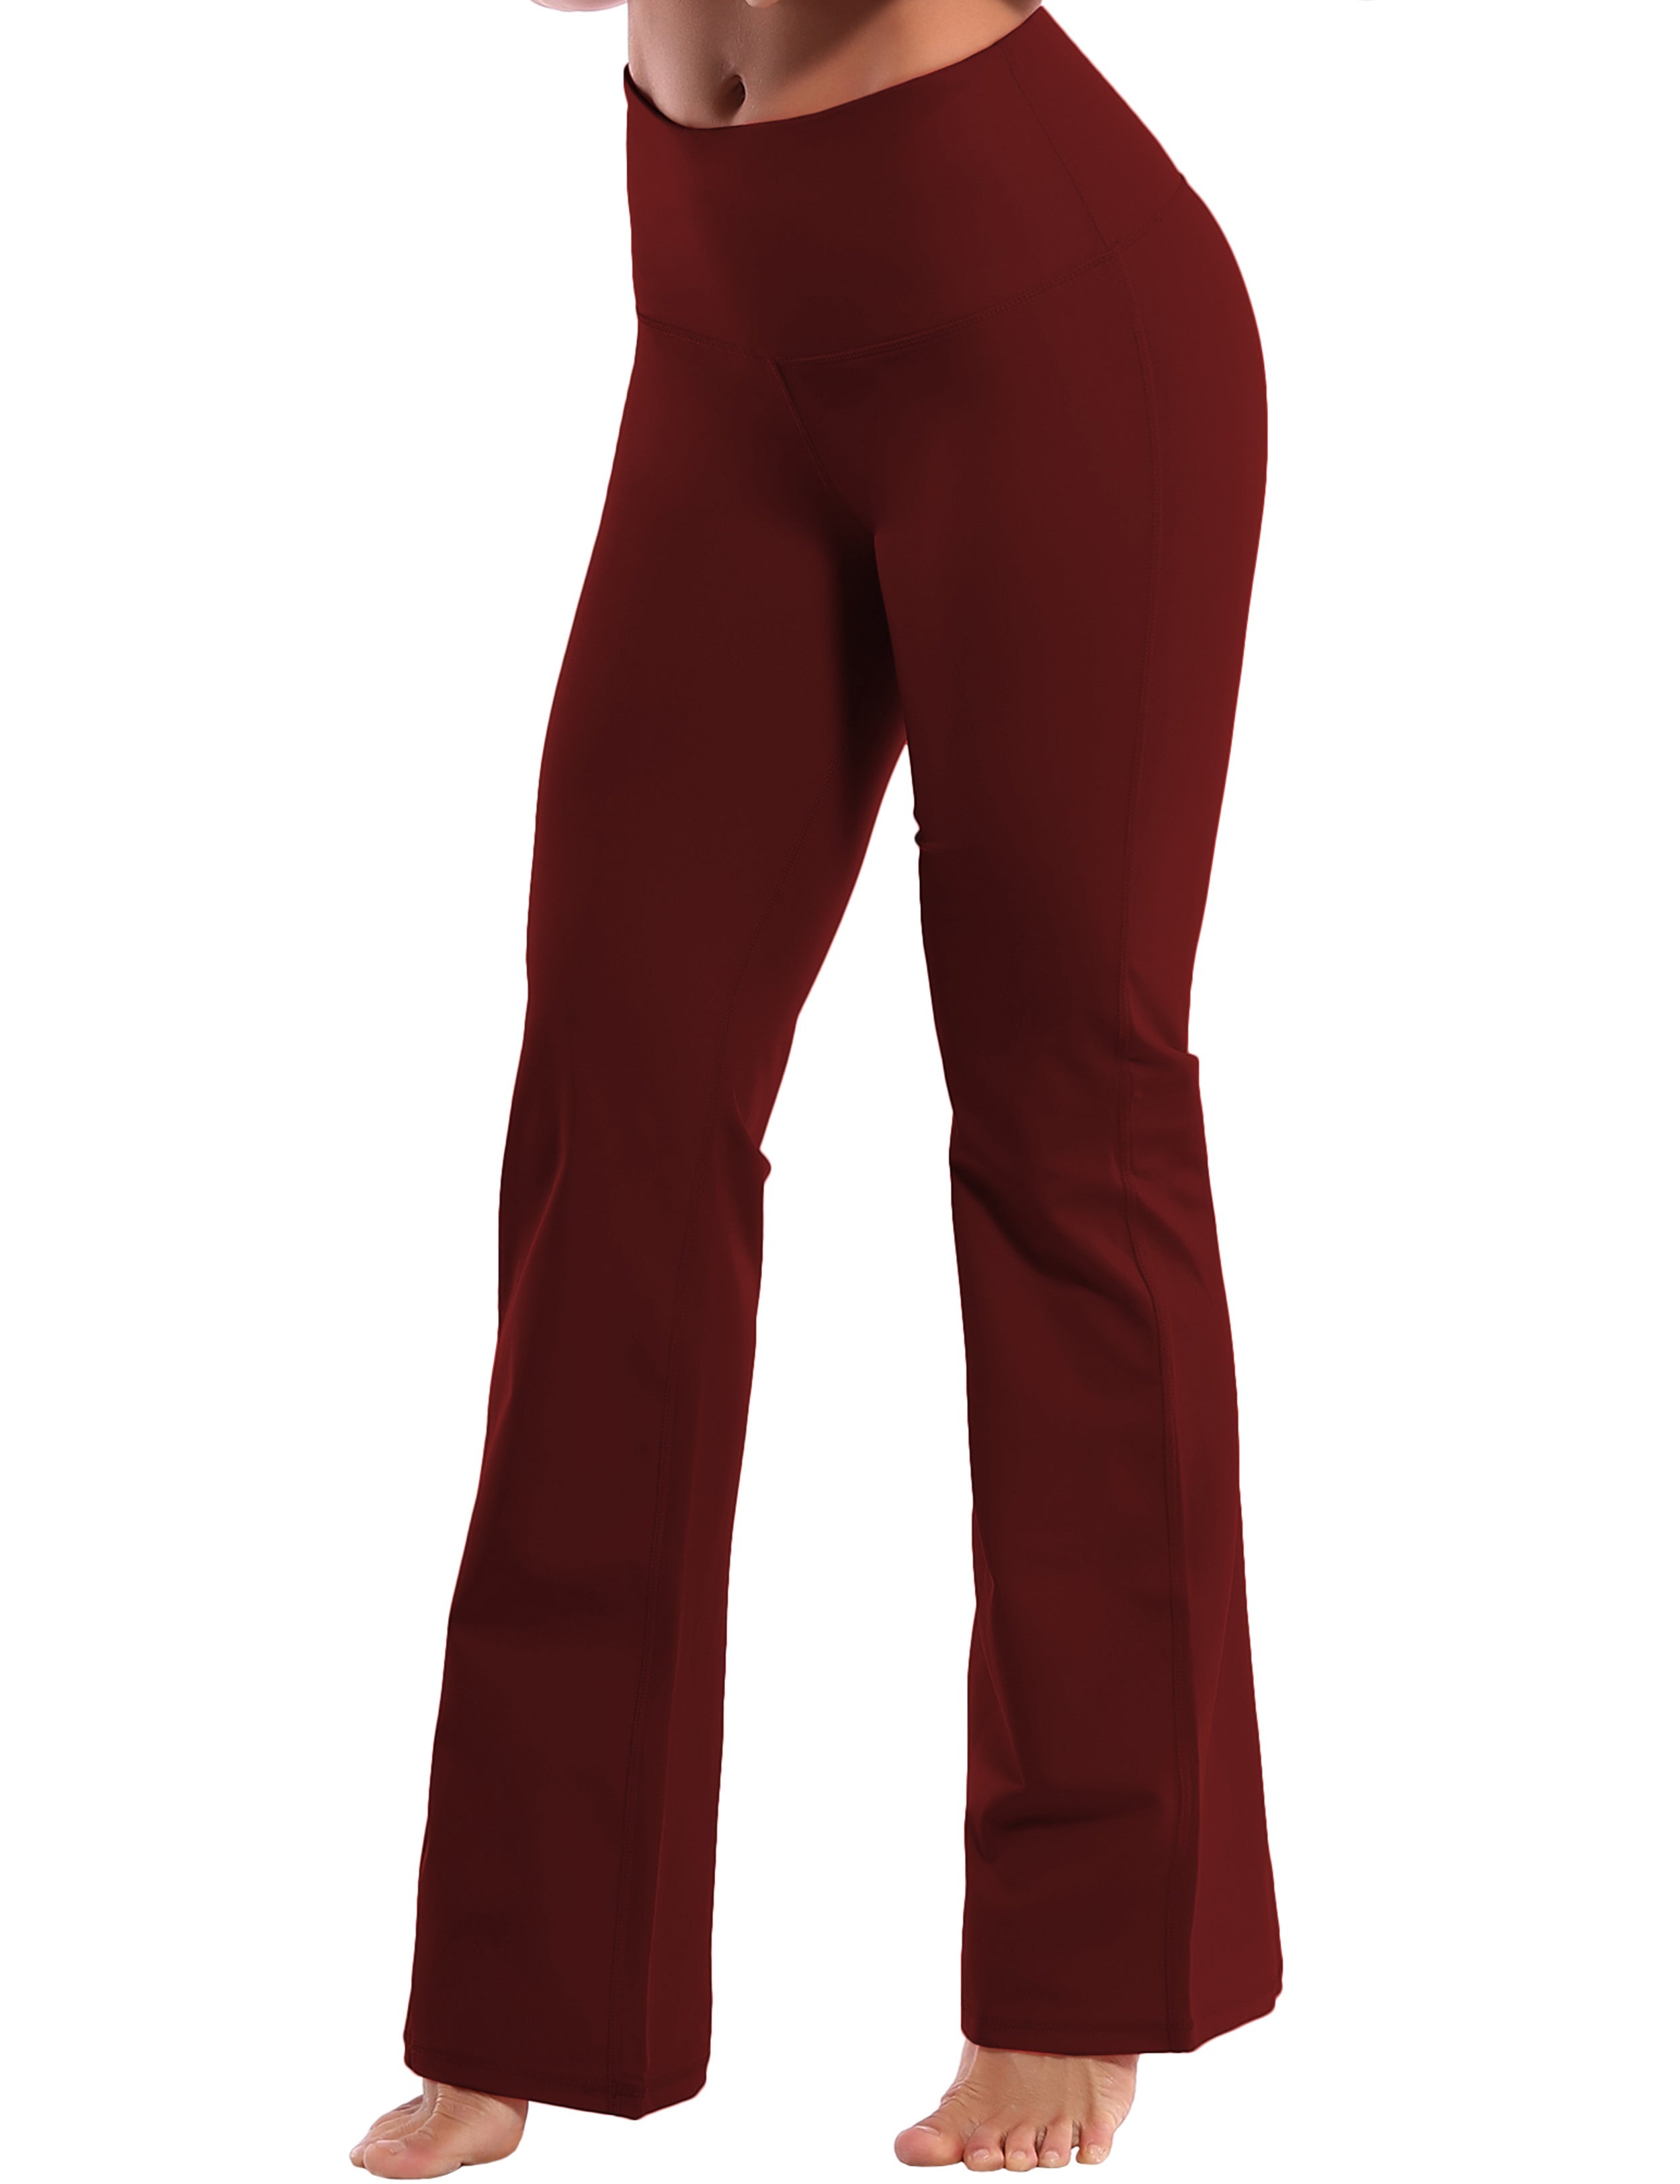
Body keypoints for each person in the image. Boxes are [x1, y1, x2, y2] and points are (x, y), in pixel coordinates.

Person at [349, 0, 1282, 2172]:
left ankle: (1084, 1972)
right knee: (608, 1111)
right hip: (714, 306)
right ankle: (530, 1980)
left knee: (1063, 1117)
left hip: (1031, 305)